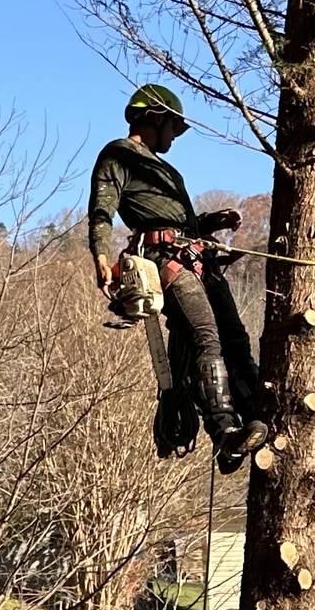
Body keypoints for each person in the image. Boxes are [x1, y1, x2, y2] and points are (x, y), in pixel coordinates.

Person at [85, 83, 264, 470]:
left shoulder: (168, 171)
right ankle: (225, 432)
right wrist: (100, 254)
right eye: (173, 128)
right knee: (205, 335)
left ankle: (258, 413)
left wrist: (210, 222)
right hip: (166, 259)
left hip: (197, 256)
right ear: (156, 117)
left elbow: (179, 221)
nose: (175, 137)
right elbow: (102, 209)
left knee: (236, 337)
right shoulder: (119, 154)